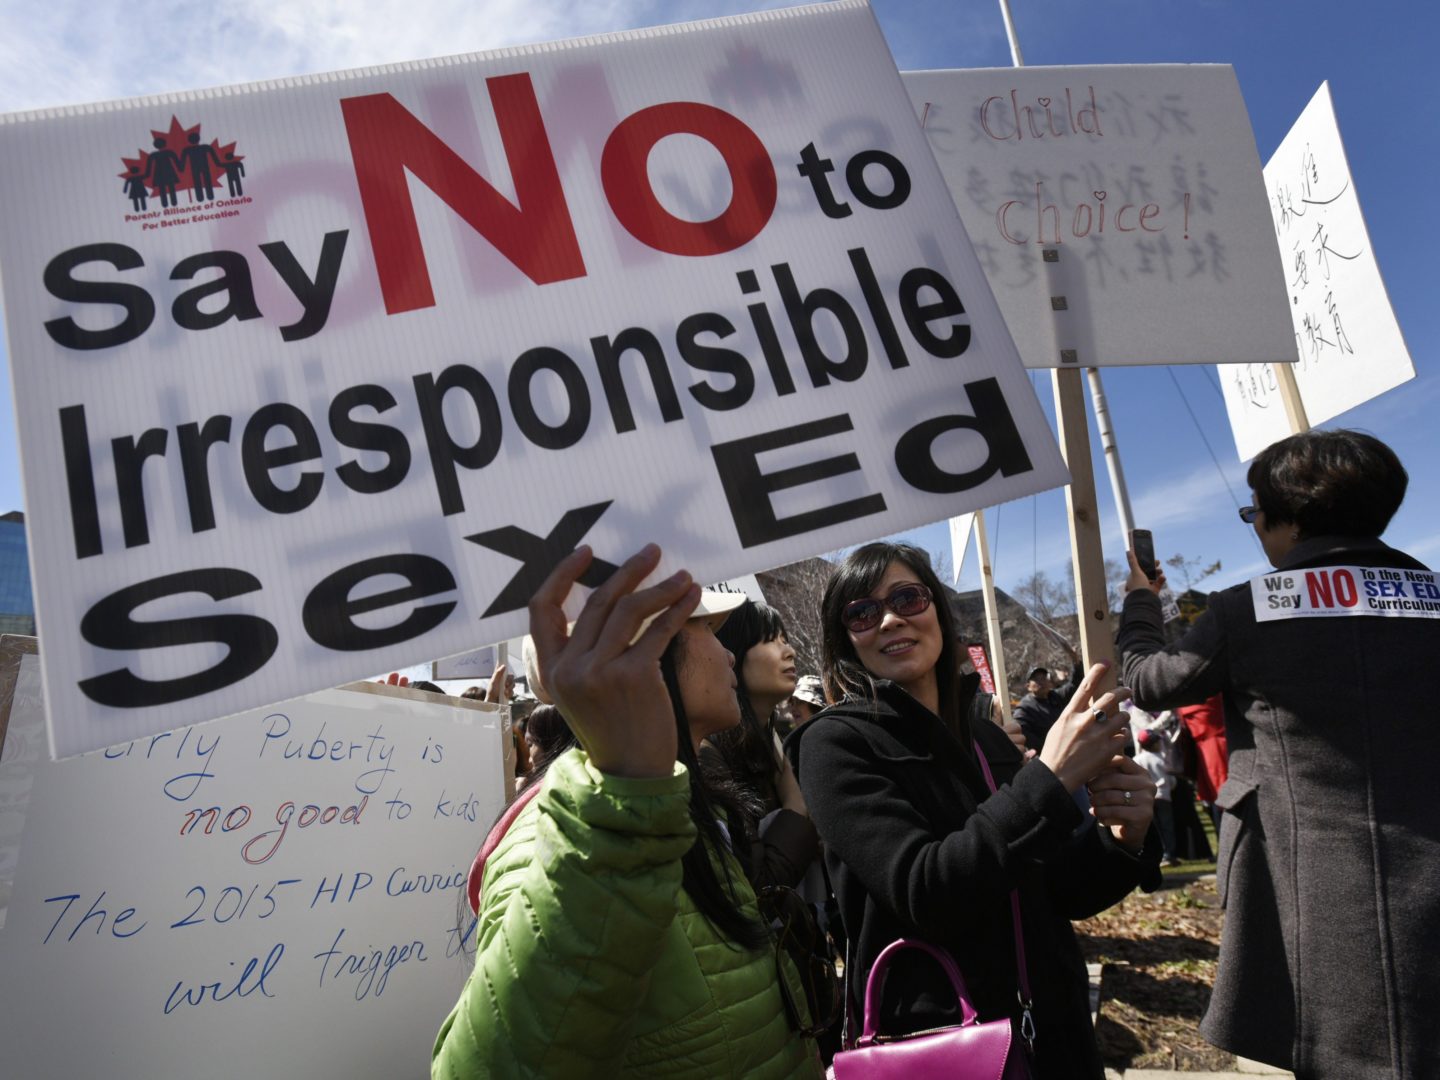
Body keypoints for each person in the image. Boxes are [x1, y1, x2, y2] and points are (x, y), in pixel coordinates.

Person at [1116, 429, 1439, 1080]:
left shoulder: (1248, 613)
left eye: (1253, 513)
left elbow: (1149, 679)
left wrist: (1141, 602)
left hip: (1306, 887)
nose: (1256, 527)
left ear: (1286, 517)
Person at [433, 544, 821, 1078]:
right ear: (637, 654)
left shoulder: (679, 805)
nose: (728, 653)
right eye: (706, 630)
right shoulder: (560, 836)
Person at [787, 542, 1160, 1079]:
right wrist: (1049, 778)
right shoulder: (833, 745)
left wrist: (1125, 838)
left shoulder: (988, 737)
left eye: (908, 598)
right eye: (863, 612)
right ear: (845, 639)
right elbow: (925, 890)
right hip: (944, 1043)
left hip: (1053, 1032)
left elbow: (1062, 893)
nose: (891, 619)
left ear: (938, 608)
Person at [705, 600, 819, 891]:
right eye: (770, 640)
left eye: (786, 640)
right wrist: (795, 807)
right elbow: (758, 885)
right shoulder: (709, 754)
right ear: (732, 653)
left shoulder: (775, 748)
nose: (789, 651)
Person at [1012, 655, 1083, 750]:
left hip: (1070, 745)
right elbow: (1022, 731)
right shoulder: (1025, 708)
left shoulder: (1055, 696)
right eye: (1037, 679)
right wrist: (1045, 747)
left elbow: (1074, 684)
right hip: (1047, 754)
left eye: (1044, 678)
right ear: (1028, 686)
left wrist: (1076, 663)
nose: (1041, 682)